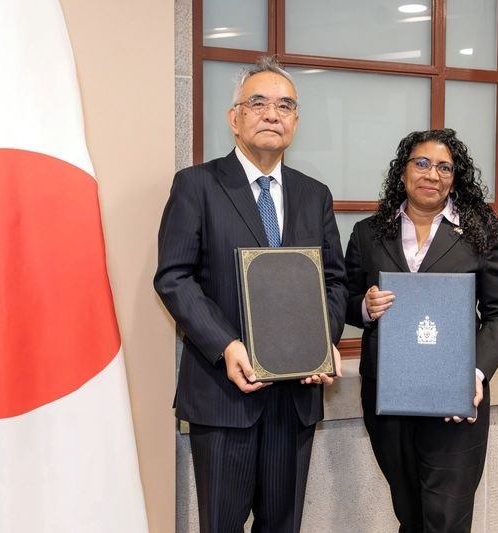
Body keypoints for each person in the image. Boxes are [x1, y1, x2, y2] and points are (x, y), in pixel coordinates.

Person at [153, 56, 348, 533]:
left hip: (295, 398)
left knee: (282, 524)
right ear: (234, 117)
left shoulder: (313, 194)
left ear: (296, 122)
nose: (272, 114)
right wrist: (226, 346)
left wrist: (320, 341)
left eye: (285, 106)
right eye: (257, 103)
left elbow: (334, 281)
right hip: (224, 395)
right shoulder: (196, 185)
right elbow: (174, 277)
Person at [344, 128, 498, 533]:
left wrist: (472, 374)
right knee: (409, 512)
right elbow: (344, 301)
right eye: (421, 163)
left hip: (454, 401)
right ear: (403, 172)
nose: (432, 174)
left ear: (455, 177)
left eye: (444, 167)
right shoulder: (368, 234)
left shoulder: (481, 233)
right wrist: (365, 308)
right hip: (388, 399)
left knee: (446, 518)